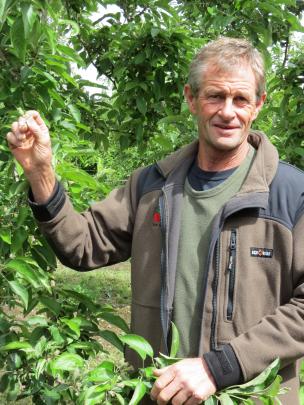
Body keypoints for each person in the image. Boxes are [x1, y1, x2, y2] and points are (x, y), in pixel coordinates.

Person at [7, 37, 304, 405]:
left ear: (258, 105)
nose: (228, 111)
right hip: (158, 396)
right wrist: (41, 174)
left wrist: (219, 367)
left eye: (240, 99)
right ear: (191, 98)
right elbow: (82, 245)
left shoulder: (291, 195)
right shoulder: (152, 186)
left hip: (254, 399)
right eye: (215, 96)